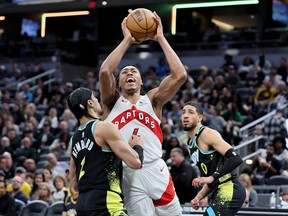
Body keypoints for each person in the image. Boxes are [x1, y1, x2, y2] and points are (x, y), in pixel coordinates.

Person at [99, 11, 187, 216]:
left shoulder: (153, 99)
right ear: (119, 82)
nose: (129, 73)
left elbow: (180, 75)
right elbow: (104, 71)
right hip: (129, 172)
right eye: (124, 72)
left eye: (134, 72)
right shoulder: (111, 102)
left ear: (140, 81)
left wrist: (161, 38)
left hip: (156, 169)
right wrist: (127, 40)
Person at [68, 87, 144, 216]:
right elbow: (135, 162)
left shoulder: (73, 139)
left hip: (82, 205)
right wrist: (138, 147)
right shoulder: (103, 127)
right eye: (95, 98)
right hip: (105, 201)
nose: (98, 101)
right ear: (90, 103)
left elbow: (73, 185)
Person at [181, 101, 245, 216]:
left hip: (229, 188)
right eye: (183, 112)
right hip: (218, 190)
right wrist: (199, 197)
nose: (185, 115)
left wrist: (211, 178)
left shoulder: (206, 133)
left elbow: (236, 158)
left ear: (200, 118)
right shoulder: (190, 143)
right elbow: (210, 178)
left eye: (190, 112)